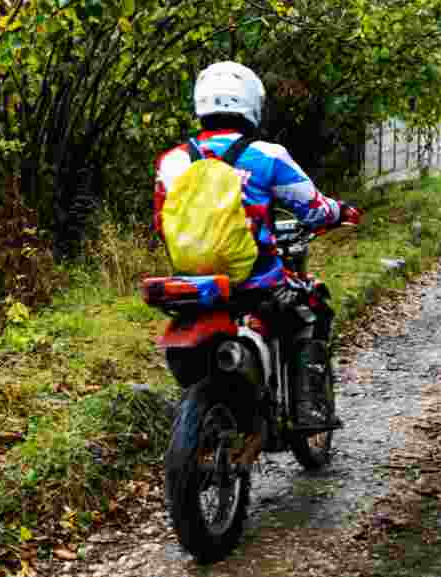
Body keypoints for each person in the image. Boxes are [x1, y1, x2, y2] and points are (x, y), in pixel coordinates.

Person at [153, 61, 362, 430]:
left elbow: (161, 223)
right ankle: (309, 409)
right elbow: (313, 209)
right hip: (255, 283)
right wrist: (340, 212)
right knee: (312, 307)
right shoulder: (267, 155)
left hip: (192, 286)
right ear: (252, 104)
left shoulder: (172, 161)